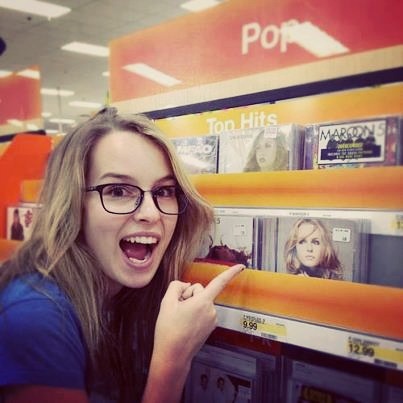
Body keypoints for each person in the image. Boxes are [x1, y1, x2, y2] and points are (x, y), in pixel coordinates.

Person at [0, 107, 244, 403]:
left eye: (164, 191)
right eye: (117, 191)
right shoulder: (36, 317)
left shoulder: (119, 297)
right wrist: (172, 361)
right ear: (74, 205)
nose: (151, 213)